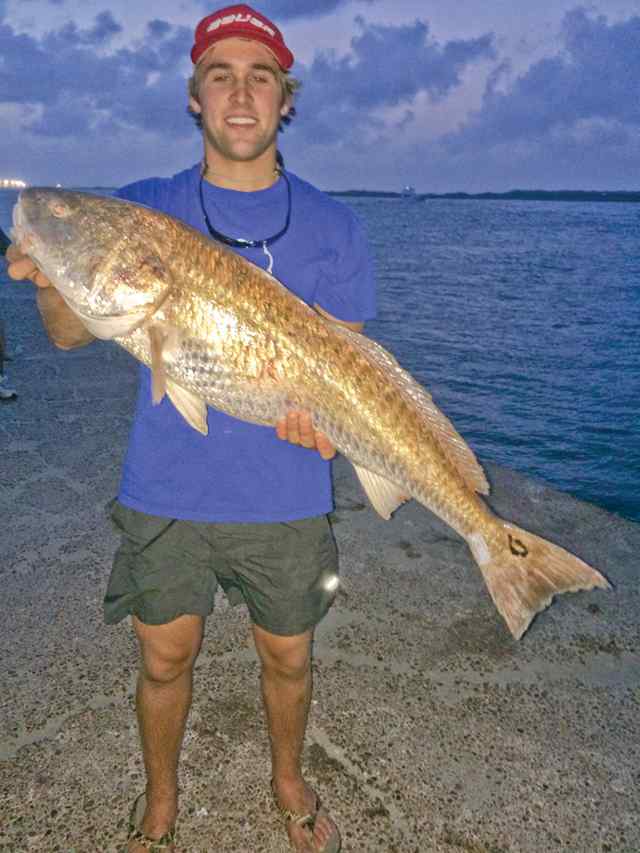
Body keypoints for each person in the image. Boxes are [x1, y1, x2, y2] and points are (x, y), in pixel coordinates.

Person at [7, 5, 376, 851]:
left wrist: (330, 431)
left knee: (288, 658)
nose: (240, 94)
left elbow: (350, 375)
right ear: (195, 97)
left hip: (286, 495)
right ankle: (162, 796)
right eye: (220, 75)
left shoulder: (338, 227)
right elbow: (69, 332)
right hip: (167, 486)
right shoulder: (143, 211)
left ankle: (287, 781)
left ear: (287, 99)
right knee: (163, 657)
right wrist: (49, 267)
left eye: (260, 77)